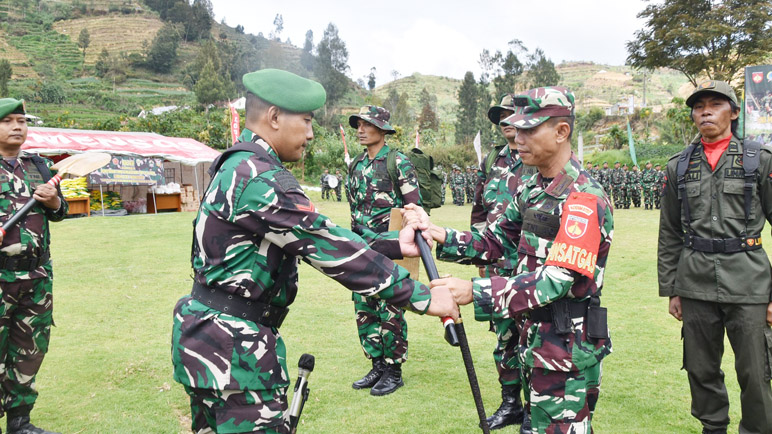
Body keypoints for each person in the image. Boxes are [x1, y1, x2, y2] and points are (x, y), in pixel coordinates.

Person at [170, 70, 458, 434]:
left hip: (208, 341)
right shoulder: (262, 179)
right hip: (236, 354)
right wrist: (421, 297)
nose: (310, 133)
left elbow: (308, 234)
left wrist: (390, 244)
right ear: (274, 118)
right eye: (305, 121)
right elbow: (324, 244)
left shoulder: (236, 164)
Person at [423, 86, 613, 434]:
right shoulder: (533, 189)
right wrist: (439, 234)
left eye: (529, 130)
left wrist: (475, 291)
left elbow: (557, 278)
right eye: (516, 129)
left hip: (564, 348)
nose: (517, 139)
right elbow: (496, 241)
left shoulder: (583, 198)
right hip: (534, 339)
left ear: (561, 132)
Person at [658, 80, 772, 434]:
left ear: (734, 113)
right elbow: (670, 232)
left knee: (756, 371)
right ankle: (713, 428)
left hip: (749, 283)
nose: (705, 111)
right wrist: (673, 289)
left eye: (716, 104)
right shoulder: (679, 166)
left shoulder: (759, 161)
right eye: (698, 106)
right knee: (701, 368)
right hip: (695, 284)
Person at [439, 93, 535, 431]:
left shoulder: (541, 160)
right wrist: (479, 256)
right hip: (497, 258)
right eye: (501, 117)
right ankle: (511, 403)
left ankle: (537, 406)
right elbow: (480, 211)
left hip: (533, 267)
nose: (507, 122)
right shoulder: (493, 159)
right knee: (506, 338)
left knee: (536, 336)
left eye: (513, 115)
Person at [0, 98, 67, 434]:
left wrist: (53, 200)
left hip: (37, 275)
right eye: (8, 120)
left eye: (22, 121)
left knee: (30, 349)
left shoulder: (37, 166)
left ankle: (19, 422)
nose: (17, 127)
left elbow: (60, 210)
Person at [345, 105, 422, 396]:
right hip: (362, 249)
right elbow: (354, 209)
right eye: (358, 125)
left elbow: (414, 210)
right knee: (364, 307)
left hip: (391, 248)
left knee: (390, 308)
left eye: (367, 125)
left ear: (381, 129)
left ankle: (394, 370)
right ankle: (377, 364)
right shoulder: (356, 164)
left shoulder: (398, 162)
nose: (361, 130)